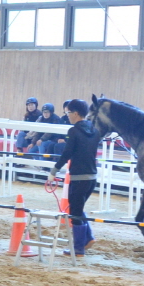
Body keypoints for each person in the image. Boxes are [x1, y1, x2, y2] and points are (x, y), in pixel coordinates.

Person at [50, 98, 99, 257]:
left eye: (68, 113)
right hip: (92, 177)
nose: (67, 116)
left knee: (75, 211)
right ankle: (88, 238)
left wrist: (54, 170)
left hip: (79, 177)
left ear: (76, 113)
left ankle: (78, 248)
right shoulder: (95, 130)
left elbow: (67, 153)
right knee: (78, 208)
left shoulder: (74, 131)